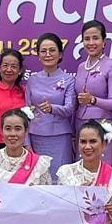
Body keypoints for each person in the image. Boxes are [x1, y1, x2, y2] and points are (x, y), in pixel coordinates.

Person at [26, 33, 76, 181]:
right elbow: (26, 113)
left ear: (60, 54)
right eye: (43, 51)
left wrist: (52, 108)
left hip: (60, 137)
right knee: (38, 180)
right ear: (38, 55)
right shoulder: (32, 80)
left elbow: (70, 109)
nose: (48, 54)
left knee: (60, 179)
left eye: (52, 50)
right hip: (36, 137)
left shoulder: (69, 80)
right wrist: (26, 143)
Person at [75, 20, 112, 165]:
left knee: (102, 168)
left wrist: (93, 100)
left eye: (95, 38)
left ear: (104, 41)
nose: (91, 43)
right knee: (82, 169)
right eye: (87, 39)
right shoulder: (81, 67)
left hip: (103, 125)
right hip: (81, 124)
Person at [0, 108, 51, 185]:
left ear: (26, 131)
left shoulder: (40, 164)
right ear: (2, 131)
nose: (12, 134)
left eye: (18, 129)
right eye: (8, 128)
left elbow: (45, 193)